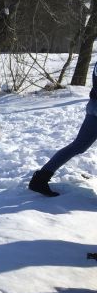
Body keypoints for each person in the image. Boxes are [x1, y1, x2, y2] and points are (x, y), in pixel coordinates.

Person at [28, 61, 97, 196]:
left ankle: (40, 179)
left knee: (78, 146)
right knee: (78, 146)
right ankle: (40, 180)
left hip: (94, 107)